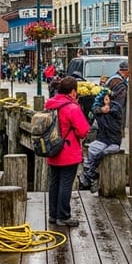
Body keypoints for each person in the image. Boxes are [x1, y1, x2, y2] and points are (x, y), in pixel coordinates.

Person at [44, 75, 90, 226]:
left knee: (54, 182)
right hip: (68, 150)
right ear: (72, 92)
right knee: (65, 183)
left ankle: (53, 214)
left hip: (52, 148)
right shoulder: (71, 107)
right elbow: (83, 130)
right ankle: (63, 215)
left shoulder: (51, 105)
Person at [79, 61, 128, 193]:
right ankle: (91, 176)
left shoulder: (114, 112)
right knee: (93, 151)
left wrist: (106, 108)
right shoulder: (120, 86)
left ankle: (90, 176)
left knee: (101, 153)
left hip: (112, 141)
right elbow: (95, 110)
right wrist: (102, 108)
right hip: (104, 139)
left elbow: (116, 110)